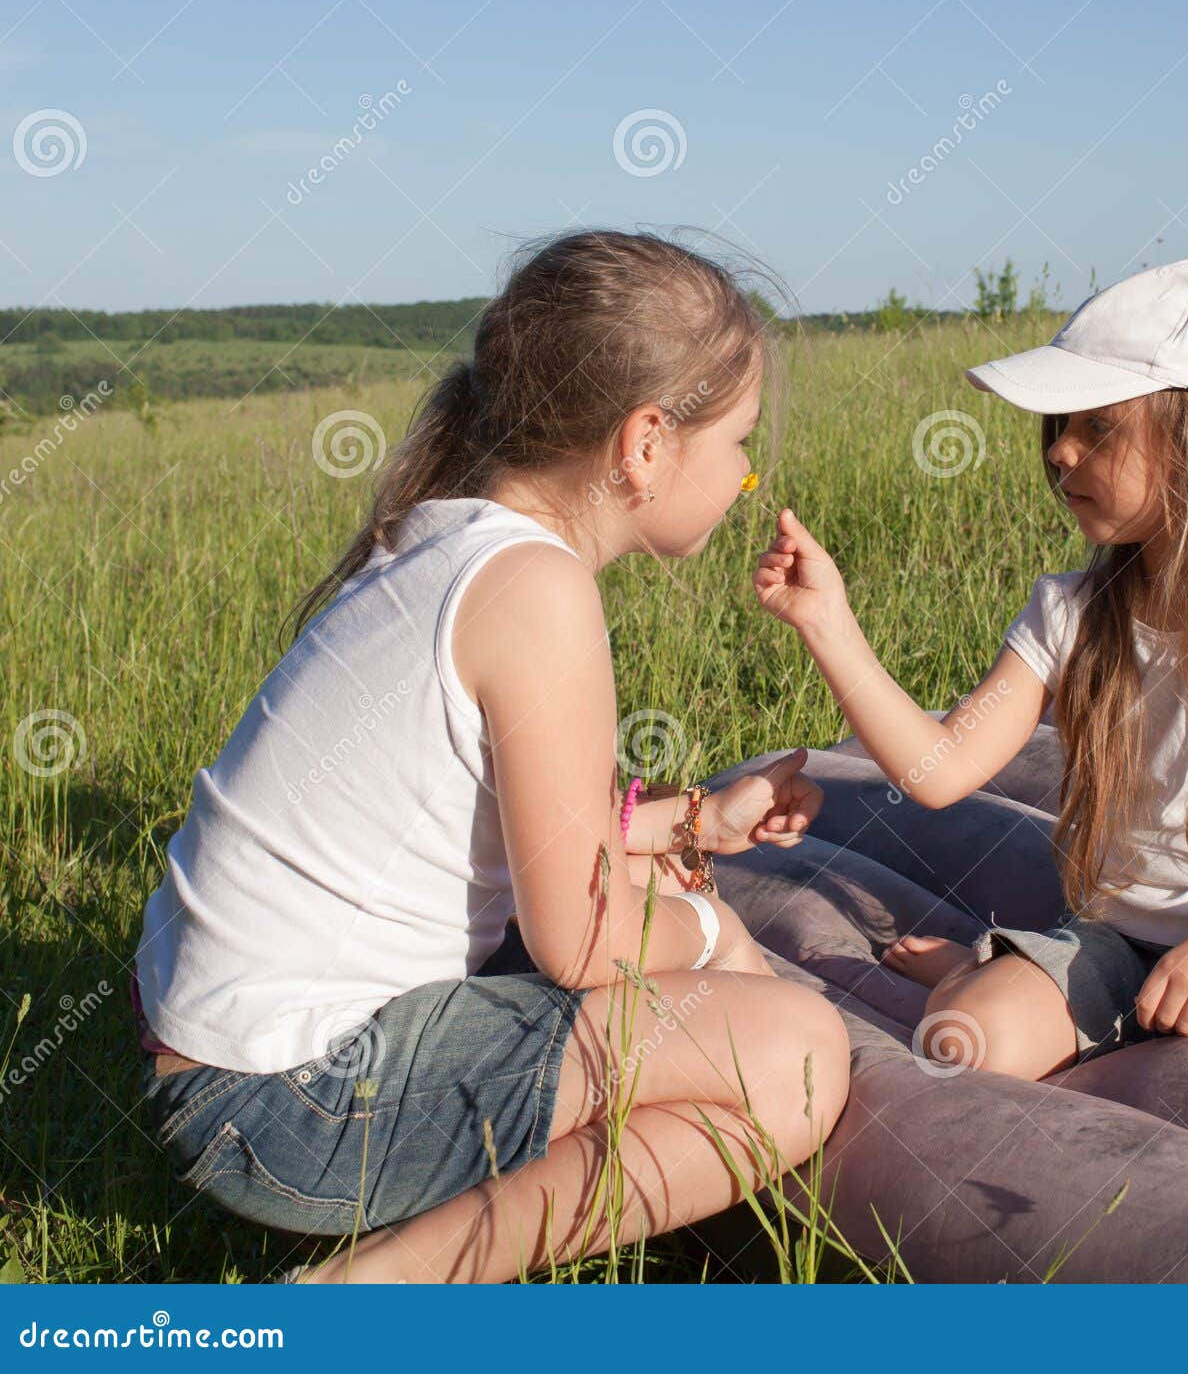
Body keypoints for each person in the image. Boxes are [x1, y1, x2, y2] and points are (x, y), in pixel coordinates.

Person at [135, 230, 850, 1283]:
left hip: (212, 1056)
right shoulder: (538, 592)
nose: (749, 473)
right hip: (287, 1106)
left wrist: (687, 824)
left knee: (674, 926)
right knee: (797, 1055)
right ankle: (369, 1294)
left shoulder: (449, 544)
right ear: (645, 444)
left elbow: (480, 824)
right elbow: (579, 941)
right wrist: (714, 930)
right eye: (739, 442)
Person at [754, 256, 1188, 1079]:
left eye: (1098, 425)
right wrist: (829, 623)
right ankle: (991, 971)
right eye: (1058, 426)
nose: (1061, 453)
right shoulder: (1070, 613)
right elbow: (939, 773)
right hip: (1119, 945)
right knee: (967, 1036)